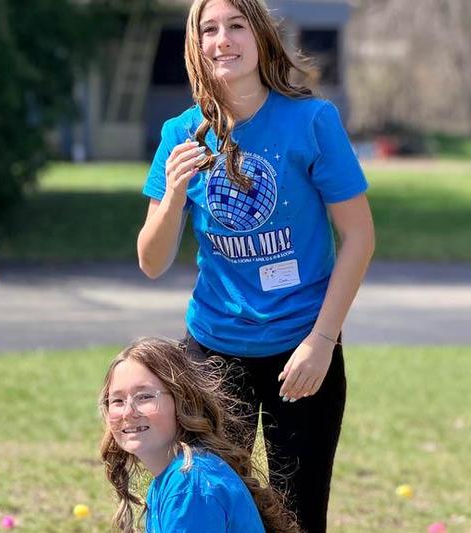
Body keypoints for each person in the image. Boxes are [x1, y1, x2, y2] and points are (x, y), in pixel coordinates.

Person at [137, 0, 375, 531]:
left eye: (237, 25)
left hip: (303, 349)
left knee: (298, 514)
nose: (223, 39)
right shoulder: (181, 134)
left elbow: (359, 237)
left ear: (261, 36)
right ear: (196, 46)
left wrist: (322, 341)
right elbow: (151, 262)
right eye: (209, 29)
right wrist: (174, 192)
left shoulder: (311, 120)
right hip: (213, 354)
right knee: (211, 508)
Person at [100, 337, 299, 532]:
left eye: (144, 397)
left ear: (183, 401)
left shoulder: (189, 486)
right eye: (117, 401)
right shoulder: (174, 479)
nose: (128, 412)